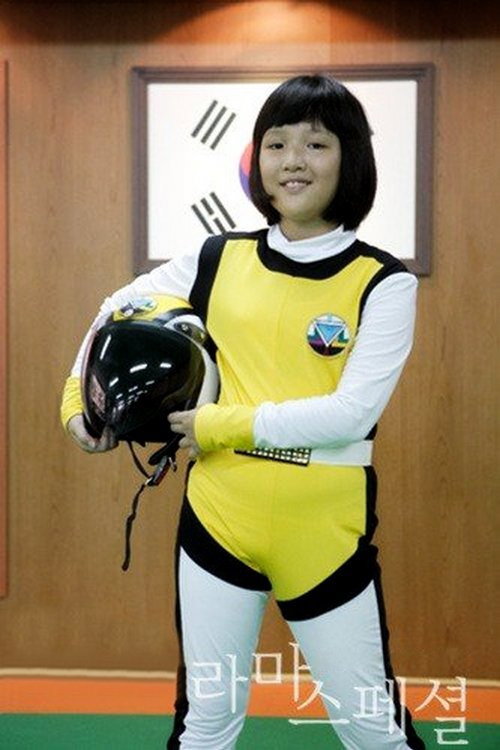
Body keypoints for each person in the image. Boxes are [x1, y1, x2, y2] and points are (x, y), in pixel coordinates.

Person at [61, 74, 426, 749]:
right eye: (276, 144)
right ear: (257, 160)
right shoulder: (217, 256)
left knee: (372, 730)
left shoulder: (384, 281)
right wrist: (78, 403)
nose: (292, 161)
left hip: (321, 529)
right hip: (217, 518)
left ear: (350, 157)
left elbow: (350, 414)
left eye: (315, 144)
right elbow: (117, 307)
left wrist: (218, 424)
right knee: (205, 725)